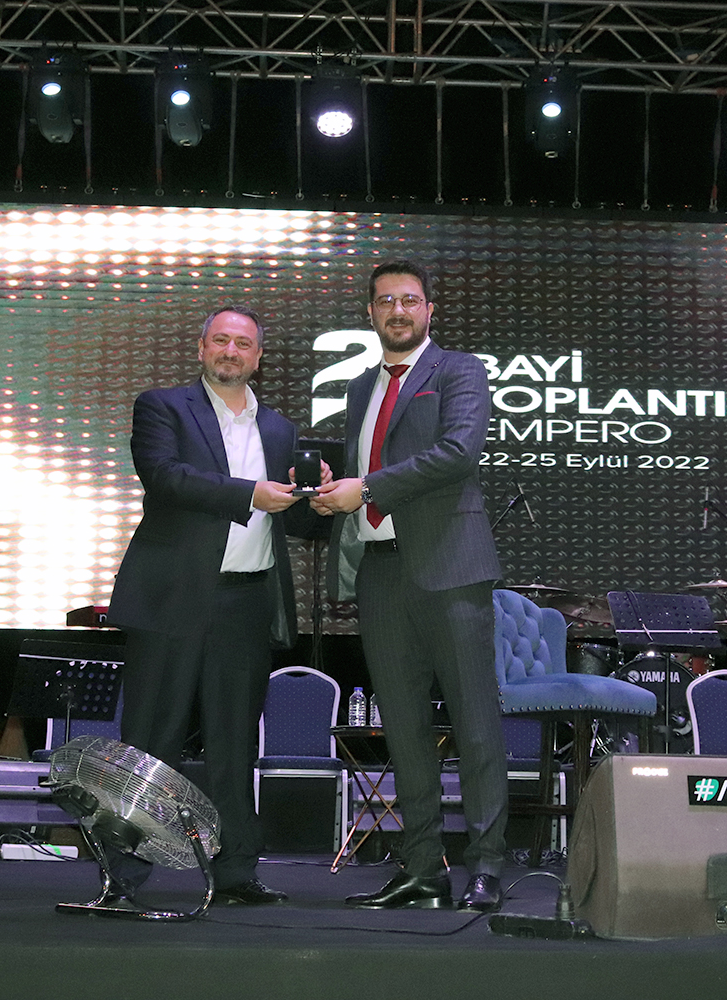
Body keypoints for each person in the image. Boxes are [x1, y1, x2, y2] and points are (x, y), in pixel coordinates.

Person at [106, 305, 326, 905]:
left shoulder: (279, 429)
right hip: (173, 597)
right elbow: (165, 476)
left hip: (246, 601)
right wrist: (250, 493)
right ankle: (123, 875)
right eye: (221, 340)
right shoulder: (162, 407)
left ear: (259, 357)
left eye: (243, 343)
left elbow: (294, 518)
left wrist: (318, 497)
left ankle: (235, 872)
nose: (231, 351)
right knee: (151, 738)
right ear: (202, 348)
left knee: (235, 743)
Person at [311, 259, 509, 912]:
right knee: (402, 730)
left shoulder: (459, 371)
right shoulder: (360, 387)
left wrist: (365, 488)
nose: (397, 310)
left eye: (410, 300)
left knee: (475, 725)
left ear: (429, 310)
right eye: (385, 301)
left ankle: (486, 866)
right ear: (370, 313)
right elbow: (362, 467)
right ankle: (423, 868)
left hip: (451, 568)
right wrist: (332, 489)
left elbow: (458, 452)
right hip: (380, 572)